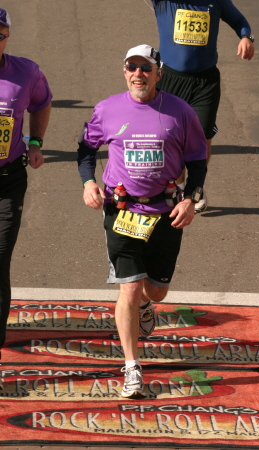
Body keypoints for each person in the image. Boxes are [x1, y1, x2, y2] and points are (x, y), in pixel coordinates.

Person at [77, 44, 207, 399]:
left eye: (146, 68)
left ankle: (148, 306)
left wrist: (191, 200)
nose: (139, 74)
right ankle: (133, 367)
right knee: (129, 287)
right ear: (124, 72)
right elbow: (86, 149)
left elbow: (197, 158)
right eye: (132, 67)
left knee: (155, 290)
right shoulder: (107, 109)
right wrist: (89, 182)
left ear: (158, 73)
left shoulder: (180, 112)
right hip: (121, 211)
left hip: (166, 210)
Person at [149, 0, 255, 212]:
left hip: (205, 82)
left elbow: (239, 20)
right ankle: (177, 187)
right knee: (172, 137)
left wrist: (246, 37)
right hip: (171, 78)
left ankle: (195, 188)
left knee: (202, 137)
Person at [0, 8, 52, 364]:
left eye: (0, 33)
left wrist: (35, 143)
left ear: (7, 36)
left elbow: (42, 102)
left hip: (7, 181)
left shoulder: (25, 72)